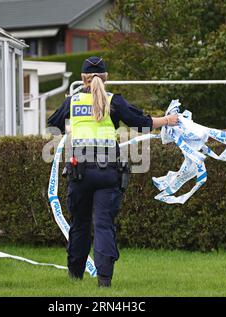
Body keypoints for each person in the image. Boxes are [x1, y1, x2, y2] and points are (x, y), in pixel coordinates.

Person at [47, 56, 178, 287]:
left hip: (79, 173)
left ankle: (75, 276)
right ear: (106, 78)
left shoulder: (72, 101)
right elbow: (142, 123)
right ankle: (104, 282)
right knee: (103, 225)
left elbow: (52, 126)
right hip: (108, 173)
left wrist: (72, 129)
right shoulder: (114, 101)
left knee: (80, 224)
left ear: (82, 79)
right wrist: (168, 120)